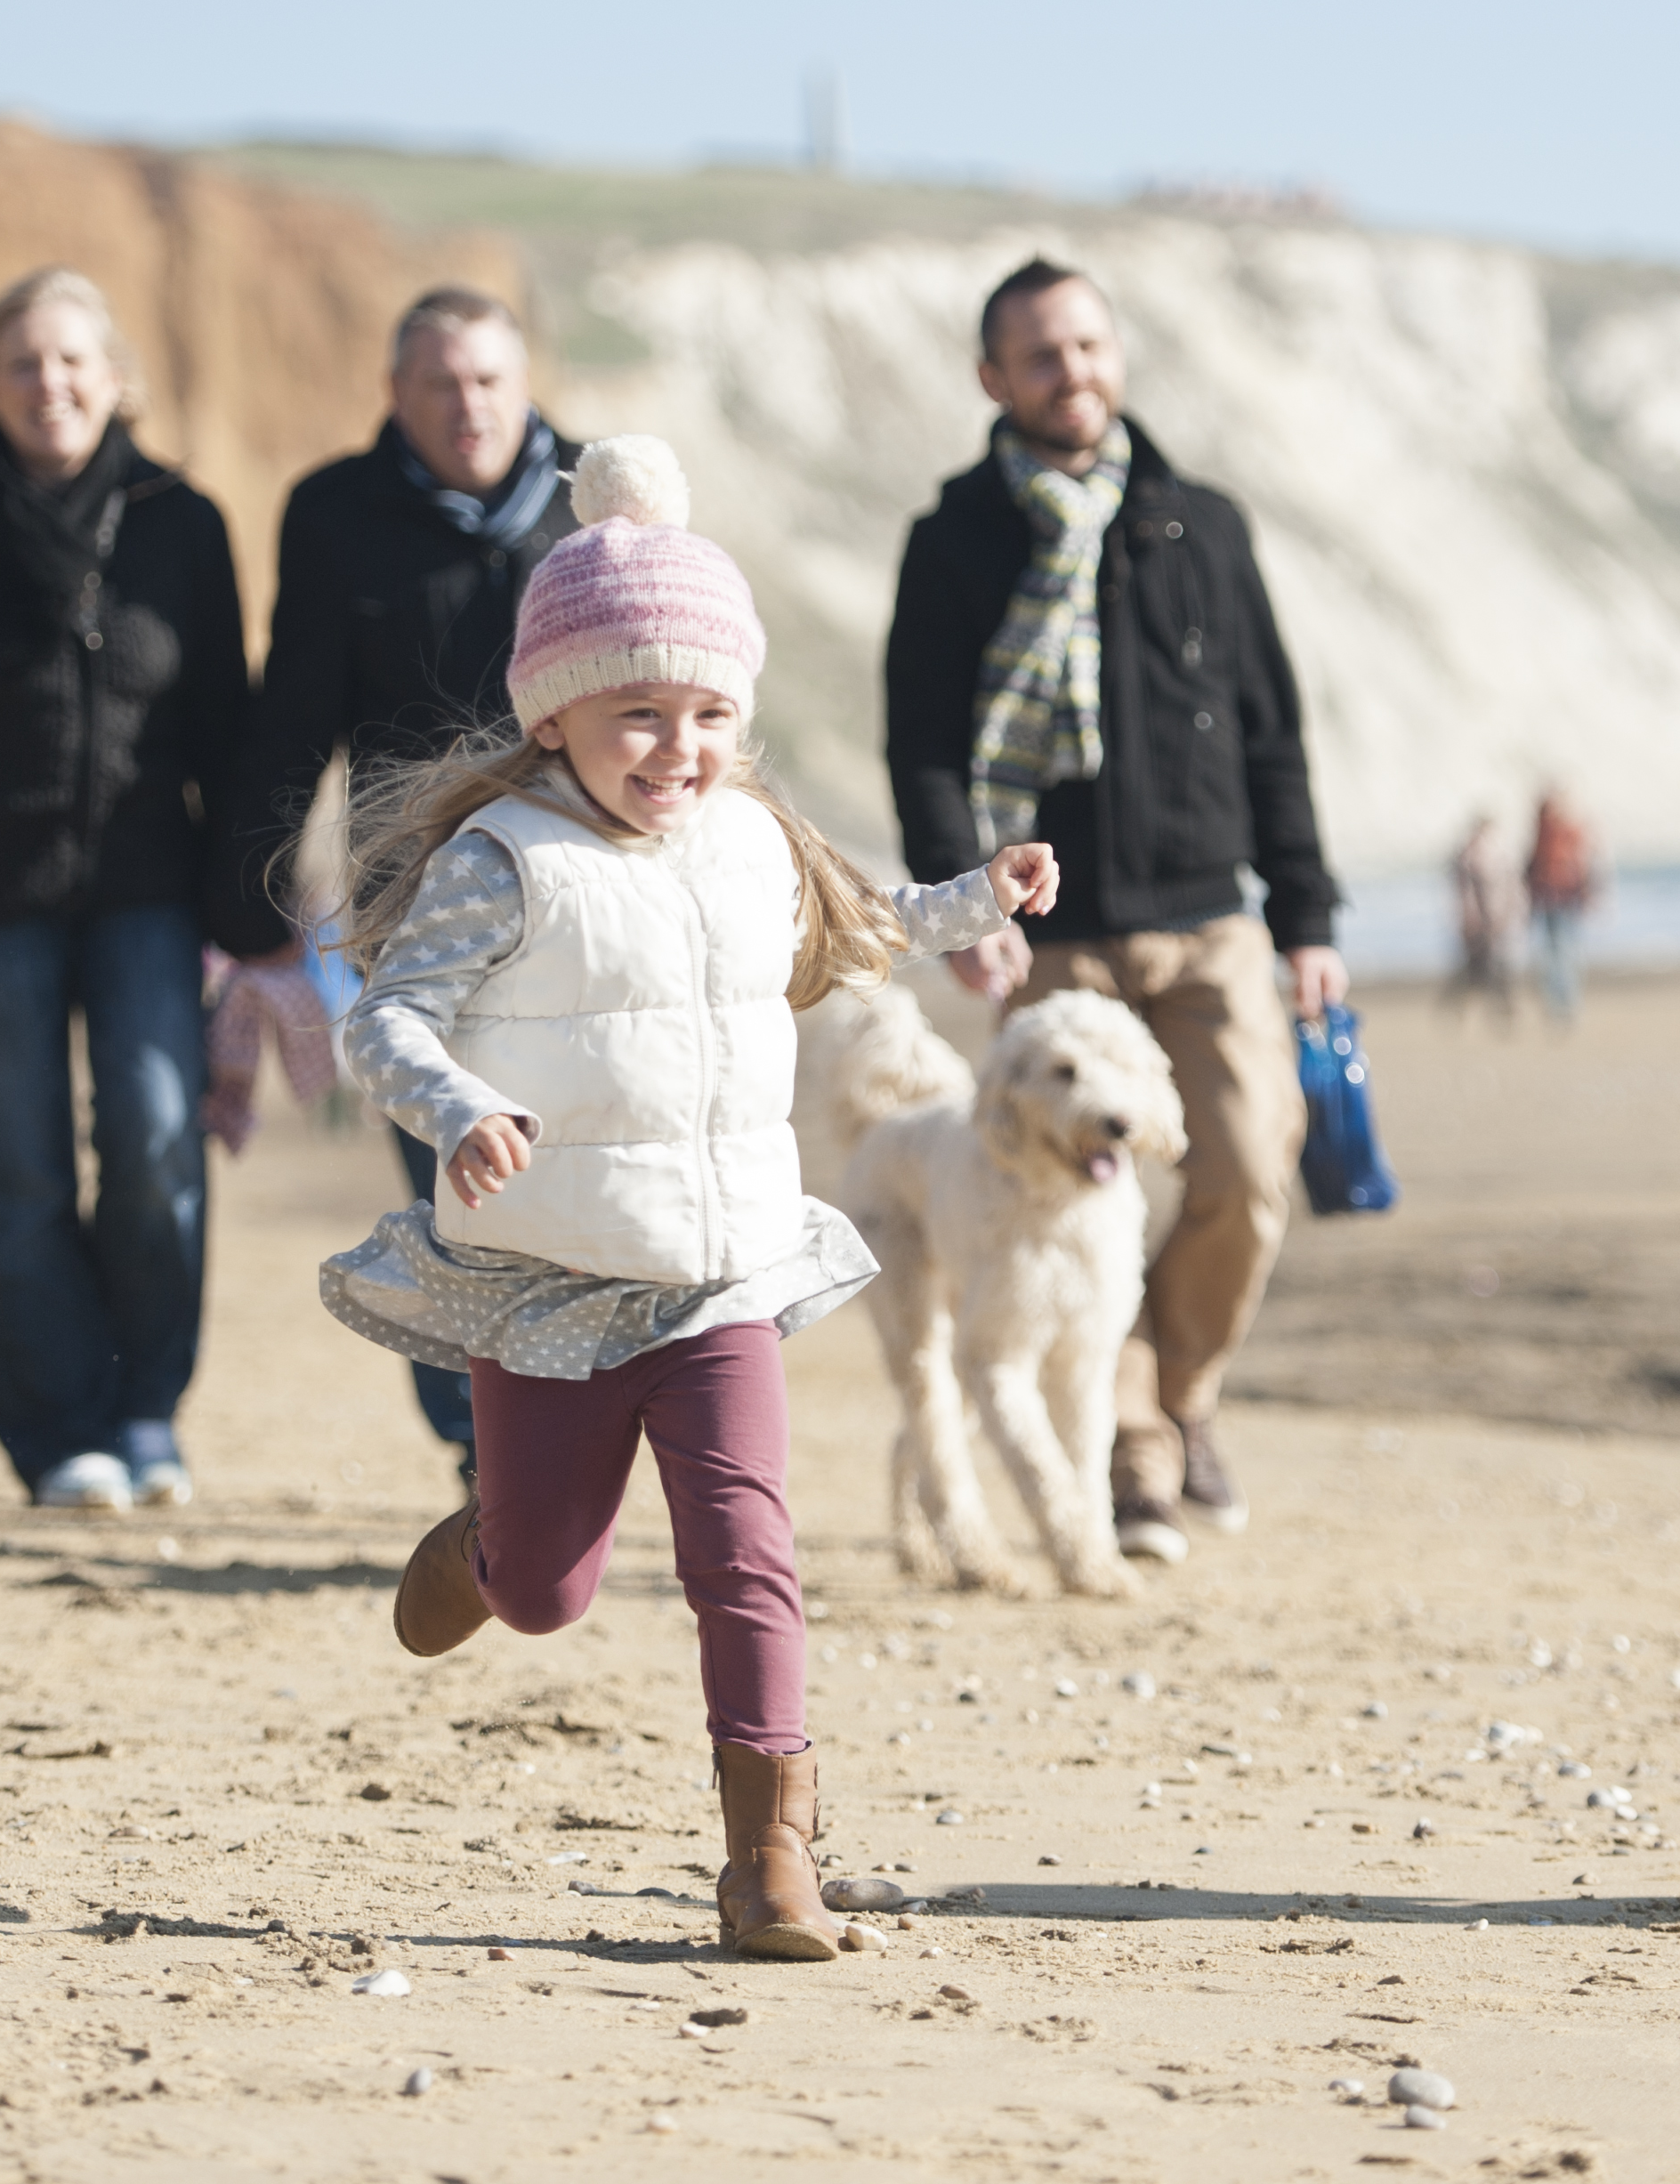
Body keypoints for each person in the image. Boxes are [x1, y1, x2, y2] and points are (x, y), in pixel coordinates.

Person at [324, 437, 1053, 1962]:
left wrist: (978, 898)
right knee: (546, 1588)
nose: (678, 748)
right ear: (556, 714)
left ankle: (770, 1864)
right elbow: (384, 1017)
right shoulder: (502, 858)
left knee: (749, 1555)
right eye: (637, 713)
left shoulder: (753, 839)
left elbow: (863, 922)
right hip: (553, 1281)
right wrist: (455, 1106)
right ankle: (485, 1548)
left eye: (711, 714)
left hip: (721, 1269)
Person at [882, 258, 1342, 1568]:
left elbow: (1271, 731)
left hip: (1209, 916)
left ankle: (1176, 1399)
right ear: (994, 380)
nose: (1070, 373)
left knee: (1248, 1171)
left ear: (1115, 354)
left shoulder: (1200, 522)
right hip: (1052, 929)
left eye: (1087, 347)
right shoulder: (955, 539)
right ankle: (1128, 1456)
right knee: (1059, 1209)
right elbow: (922, 743)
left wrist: (1306, 913)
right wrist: (965, 905)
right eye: (1039, 356)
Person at [0, 268, 248, 1511]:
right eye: (20, 364)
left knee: (155, 1143)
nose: (49, 385)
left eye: (72, 362)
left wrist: (252, 924)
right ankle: (55, 1435)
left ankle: (143, 1411)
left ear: (118, 379)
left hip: (150, 896)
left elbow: (230, 732)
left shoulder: (183, 521)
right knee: (19, 1172)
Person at [220, 287, 579, 1483]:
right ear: (396, 393)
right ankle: (482, 1446)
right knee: (451, 1182)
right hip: (408, 908)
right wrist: (251, 899)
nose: (467, 405)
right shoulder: (334, 514)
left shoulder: (596, 499)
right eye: (439, 382)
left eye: (487, 379)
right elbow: (293, 718)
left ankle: (571, 1417)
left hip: (579, 897)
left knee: (577, 1172)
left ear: (524, 384)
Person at [1524, 784, 1601, 1027]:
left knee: (1564, 950)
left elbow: (1584, 865)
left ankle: (1565, 1003)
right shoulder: (1545, 831)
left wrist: (1589, 893)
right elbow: (1533, 866)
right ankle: (1560, 1003)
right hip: (1551, 897)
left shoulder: (1570, 830)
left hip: (1565, 897)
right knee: (1555, 952)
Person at [1448, 810, 1522, 1026]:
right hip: (1477, 922)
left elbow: (1513, 888)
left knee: (1501, 965)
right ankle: (1464, 1009)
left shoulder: (1504, 855)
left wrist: (1511, 913)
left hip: (1501, 919)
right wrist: (1468, 917)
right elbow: (1463, 893)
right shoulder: (1466, 857)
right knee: (1476, 966)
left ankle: (1503, 1011)